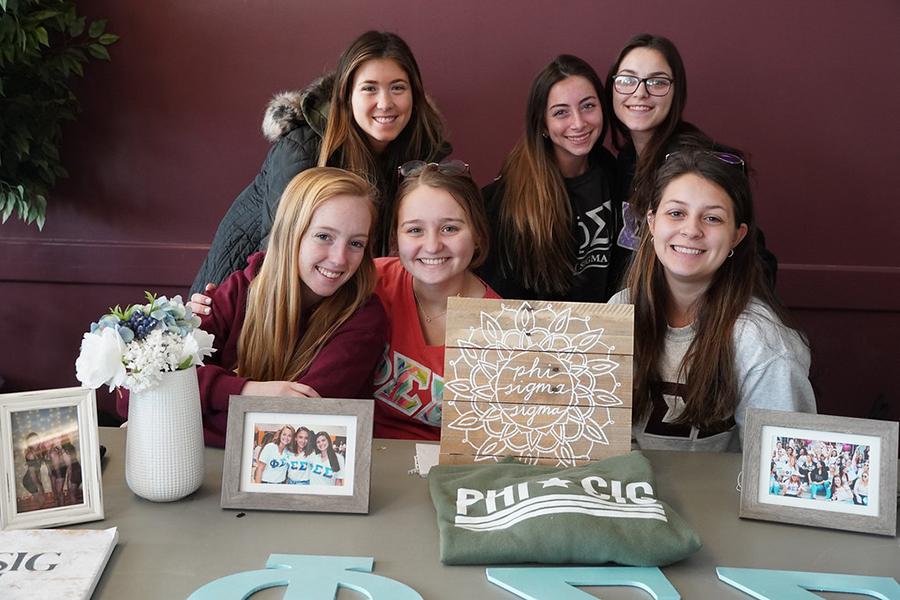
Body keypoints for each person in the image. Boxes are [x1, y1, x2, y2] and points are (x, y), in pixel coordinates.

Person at [191, 30, 448, 294]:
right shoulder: (303, 147)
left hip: (341, 297)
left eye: (397, 88)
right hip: (242, 300)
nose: (385, 103)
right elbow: (279, 255)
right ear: (346, 95)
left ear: (414, 95)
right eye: (369, 88)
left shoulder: (420, 158)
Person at [609, 148, 815, 452]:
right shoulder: (618, 312)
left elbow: (780, 472)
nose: (691, 230)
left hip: (722, 499)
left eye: (712, 218)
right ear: (651, 223)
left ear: (737, 235)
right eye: (676, 213)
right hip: (628, 494)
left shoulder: (764, 344)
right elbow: (596, 442)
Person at [191, 167, 388, 447]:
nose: (340, 258)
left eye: (356, 243)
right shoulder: (239, 290)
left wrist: (188, 415)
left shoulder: (363, 317)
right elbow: (143, 388)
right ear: (290, 233)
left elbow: (296, 429)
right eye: (324, 236)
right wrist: (250, 392)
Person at [606, 33, 776, 283]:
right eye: (627, 79)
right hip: (635, 309)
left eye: (657, 82)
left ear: (677, 91)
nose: (640, 92)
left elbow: (756, 260)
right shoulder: (624, 161)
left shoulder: (696, 163)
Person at [477, 55, 623, 302]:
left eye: (588, 106)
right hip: (541, 335)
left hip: (608, 331)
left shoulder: (612, 172)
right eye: (560, 112)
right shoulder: (504, 201)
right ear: (542, 124)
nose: (578, 123)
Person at [373, 160, 499, 439]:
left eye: (450, 229)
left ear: (477, 234)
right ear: (397, 236)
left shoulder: (501, 326)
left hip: (447, 473)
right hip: (365, 459)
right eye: (415, 230)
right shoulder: (372, 283)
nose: (432, 245)